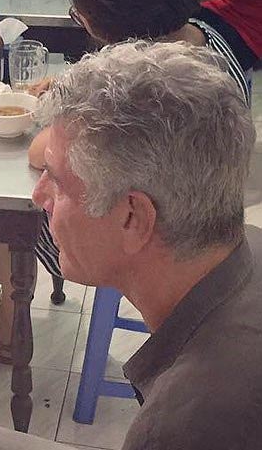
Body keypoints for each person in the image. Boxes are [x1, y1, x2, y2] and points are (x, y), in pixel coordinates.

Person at [31, 41, 261, 450]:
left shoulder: (190, 423)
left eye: (57, 182)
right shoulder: (249, 248)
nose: (38, 195)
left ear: (133, 218)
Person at [26, 0, 250, 304]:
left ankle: (11, 329)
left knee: (28, 209)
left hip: (159, 235)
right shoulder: (202, 33)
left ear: (118, 16)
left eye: (82, 14)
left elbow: (40, 151)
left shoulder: (147, 86)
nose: (84, 25)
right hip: (204, 214)